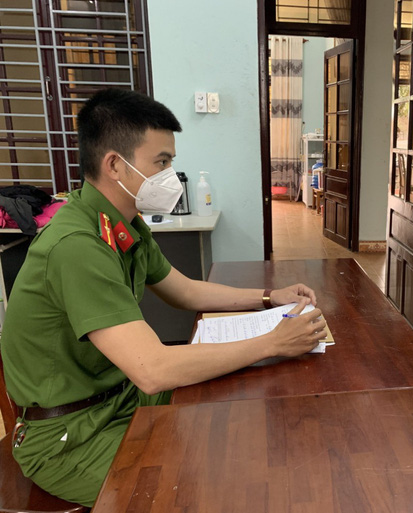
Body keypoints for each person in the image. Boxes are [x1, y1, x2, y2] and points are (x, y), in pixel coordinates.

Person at [0, 88, 327, 506]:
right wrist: (272, 342)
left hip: (120, 398)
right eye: (161, 162)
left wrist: (268, 296)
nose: (170, 175)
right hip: (71, 436)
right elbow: (153, 369)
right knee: (206, 485)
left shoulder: (121, 223)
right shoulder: (77, 245)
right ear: (115, 165)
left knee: (238, 418)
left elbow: (185, 290)